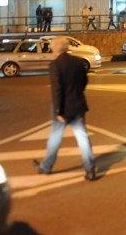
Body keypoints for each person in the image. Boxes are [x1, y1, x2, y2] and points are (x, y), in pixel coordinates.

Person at [33, 36, 98, 181]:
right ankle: (90, 169)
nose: (51, 50)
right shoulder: (78, 62)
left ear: (56, 49)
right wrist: (76, 93)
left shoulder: (55, 65)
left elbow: (57, 90)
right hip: (78, 104)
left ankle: (46, 166)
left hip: (62, 107)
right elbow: (84, 81)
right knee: (82, 137)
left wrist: (58, 111)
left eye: (51, 48)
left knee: (55, 138)